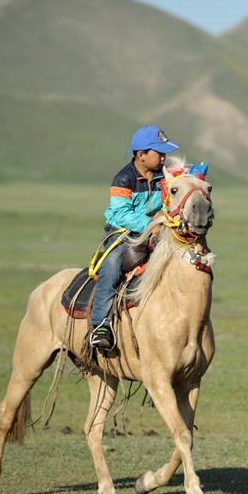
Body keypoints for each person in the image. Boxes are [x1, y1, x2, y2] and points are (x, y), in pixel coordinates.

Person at [89, 126, 180, 350]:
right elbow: (121, 214)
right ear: (141, 155)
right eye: (159, 153)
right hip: (124, 233)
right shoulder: (123, 179)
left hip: (158, 229)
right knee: (111, 264)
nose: (163, 157)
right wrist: (151, 224)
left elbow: (175, 193)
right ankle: (100, 324)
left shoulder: (164, 176)